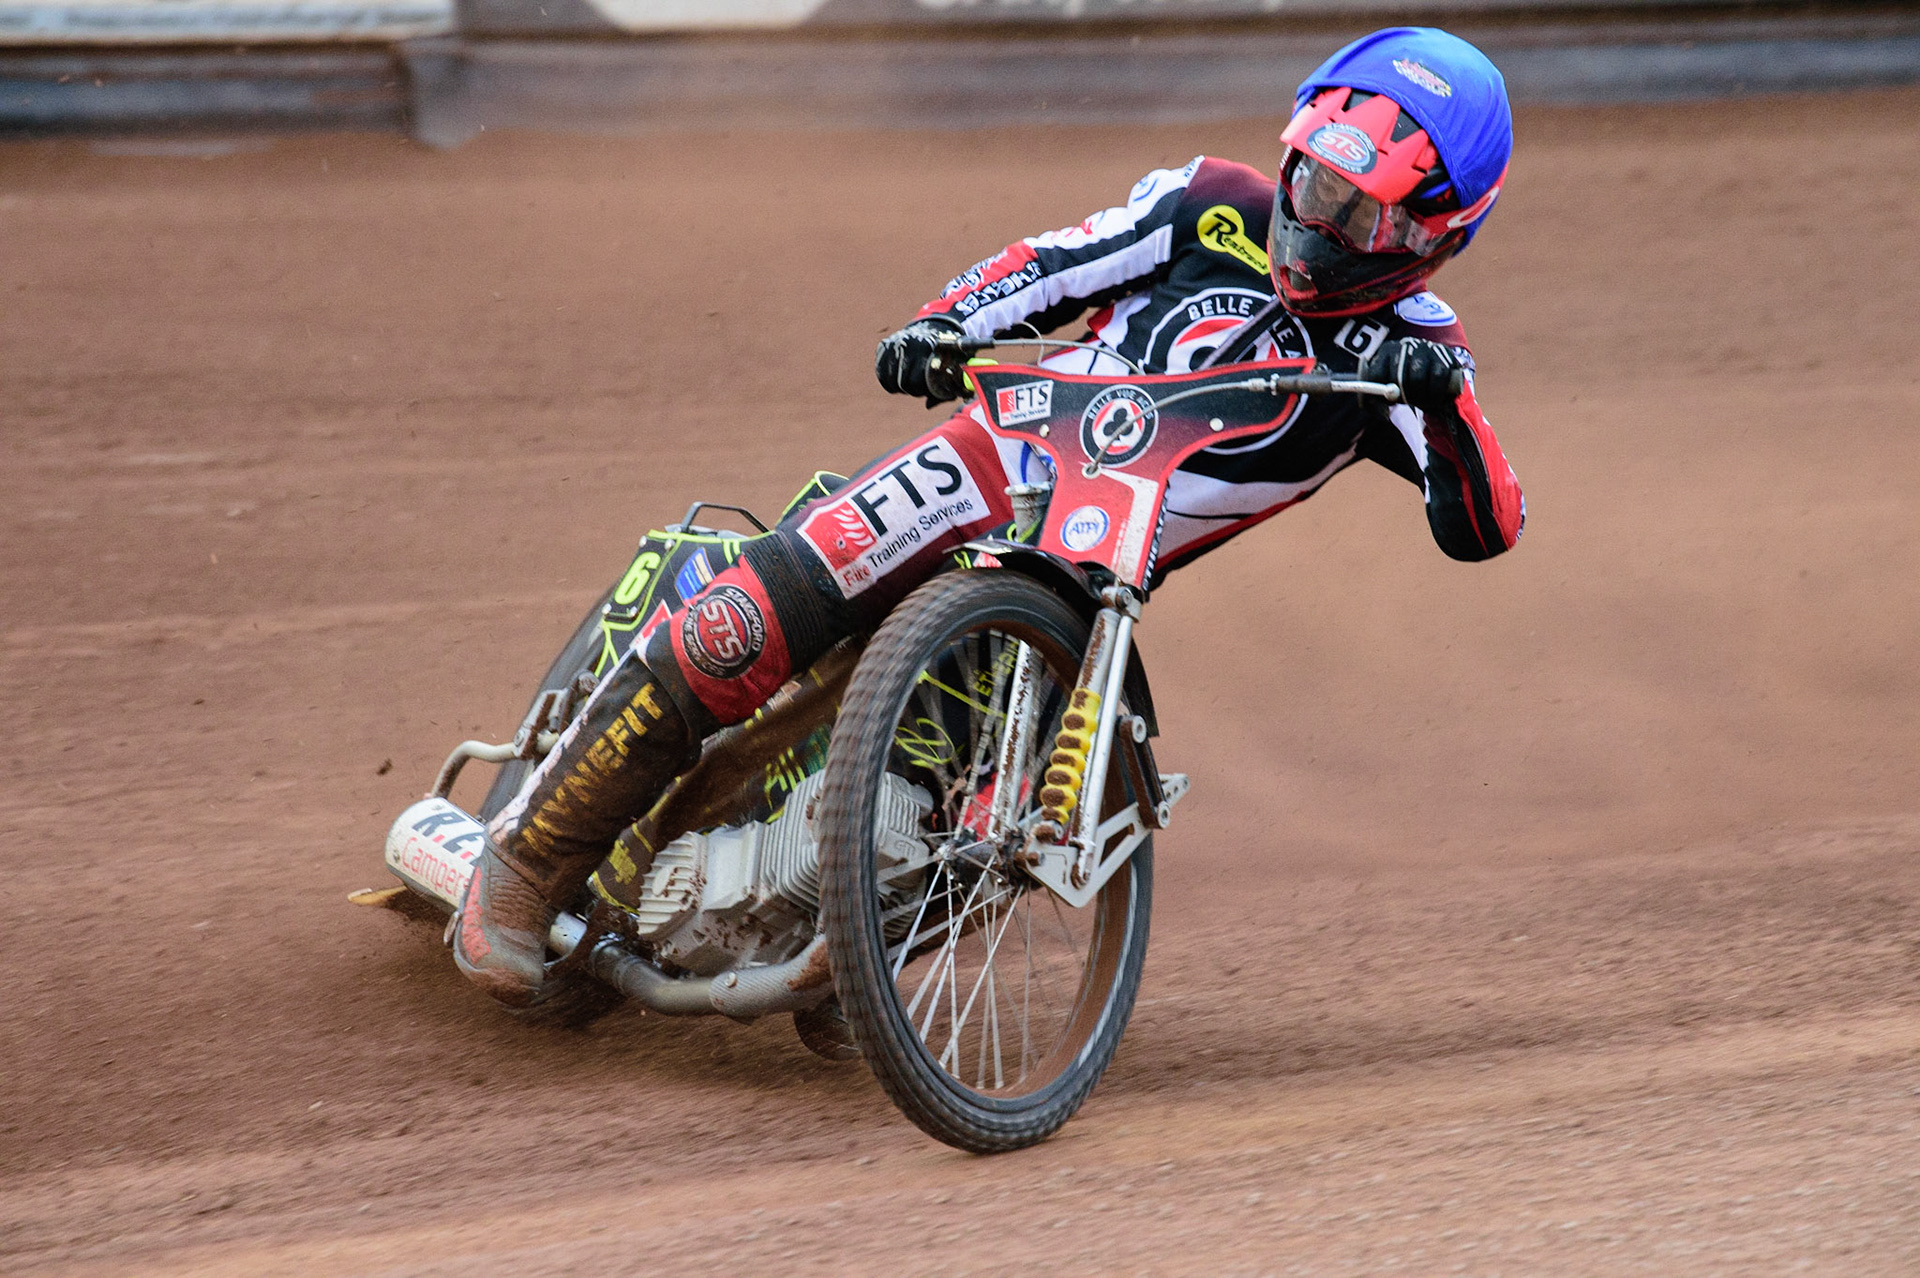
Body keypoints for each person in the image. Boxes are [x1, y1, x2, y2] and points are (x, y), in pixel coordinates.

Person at [453, 26, 1526, 1007]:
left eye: (1356, 212)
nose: (1314, 221)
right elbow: (1054, 264)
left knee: (947, 807)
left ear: (1437, 236)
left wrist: (1442, 400)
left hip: (1085, 579)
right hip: (990, 458)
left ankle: (853, 946)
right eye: (1311, 180)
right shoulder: (1212, 203)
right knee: (746, 623)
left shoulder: (1421, 360)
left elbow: (1484, 525)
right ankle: (526, 862)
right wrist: (941, 323)